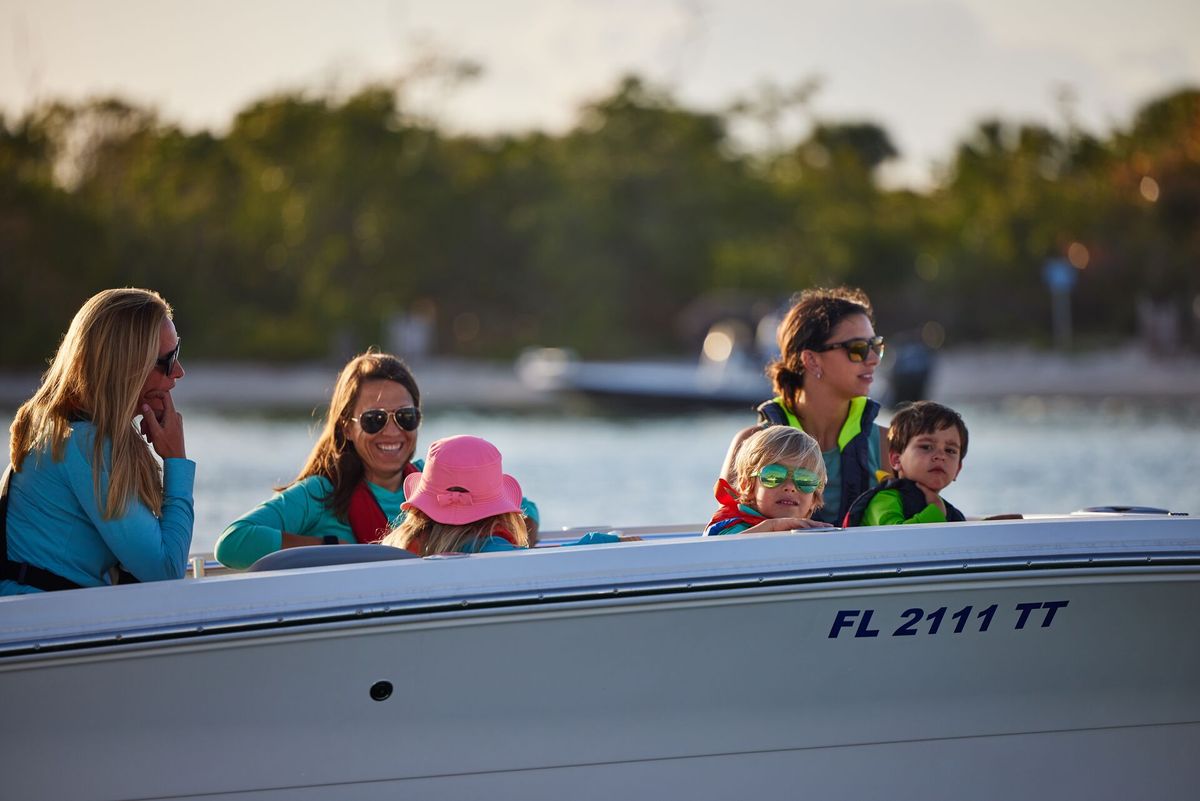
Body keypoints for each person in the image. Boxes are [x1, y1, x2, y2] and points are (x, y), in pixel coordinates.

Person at [214, 353, 539, 569]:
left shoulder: (434, 480)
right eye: (374, 419)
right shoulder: (319, 494)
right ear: (347, 426)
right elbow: (233, 542)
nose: (392, 431)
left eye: (406, 417)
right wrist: (332, 548)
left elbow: (526, 511)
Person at [2, 288, 193, 594]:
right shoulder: (85, 444)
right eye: (168, 360)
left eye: (178, 353)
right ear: (126, 366)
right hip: (41, 628)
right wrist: (176, 460)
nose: (179, 372)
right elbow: (166, 572)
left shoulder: (62, 425)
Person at [720, 286, 888, 525]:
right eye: (858, 349)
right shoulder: (747, 444)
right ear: (811, 360)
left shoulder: (887, 445)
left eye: (876, 347)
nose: (872, 359)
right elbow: (721, 534)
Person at [383, 435, 621, 554]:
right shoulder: (492, 549)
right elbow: (552, 562)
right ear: (497, 510)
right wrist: (603, 542)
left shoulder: (399, 545)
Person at [843, 401, 967, 527]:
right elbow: (896, 538)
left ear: (958, 469)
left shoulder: (949, 511)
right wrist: (935, 513)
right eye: (926, 447)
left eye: (950, 450)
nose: (940, 456)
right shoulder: (885, 500)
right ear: (896, 460)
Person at [705, 426, 833, 536]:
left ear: (814, 498)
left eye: (804, 480)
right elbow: (722, 551)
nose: (790, 487)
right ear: (747, 485)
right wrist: (771, 527)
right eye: (774, 476)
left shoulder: (809, 534)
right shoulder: (733, 528)